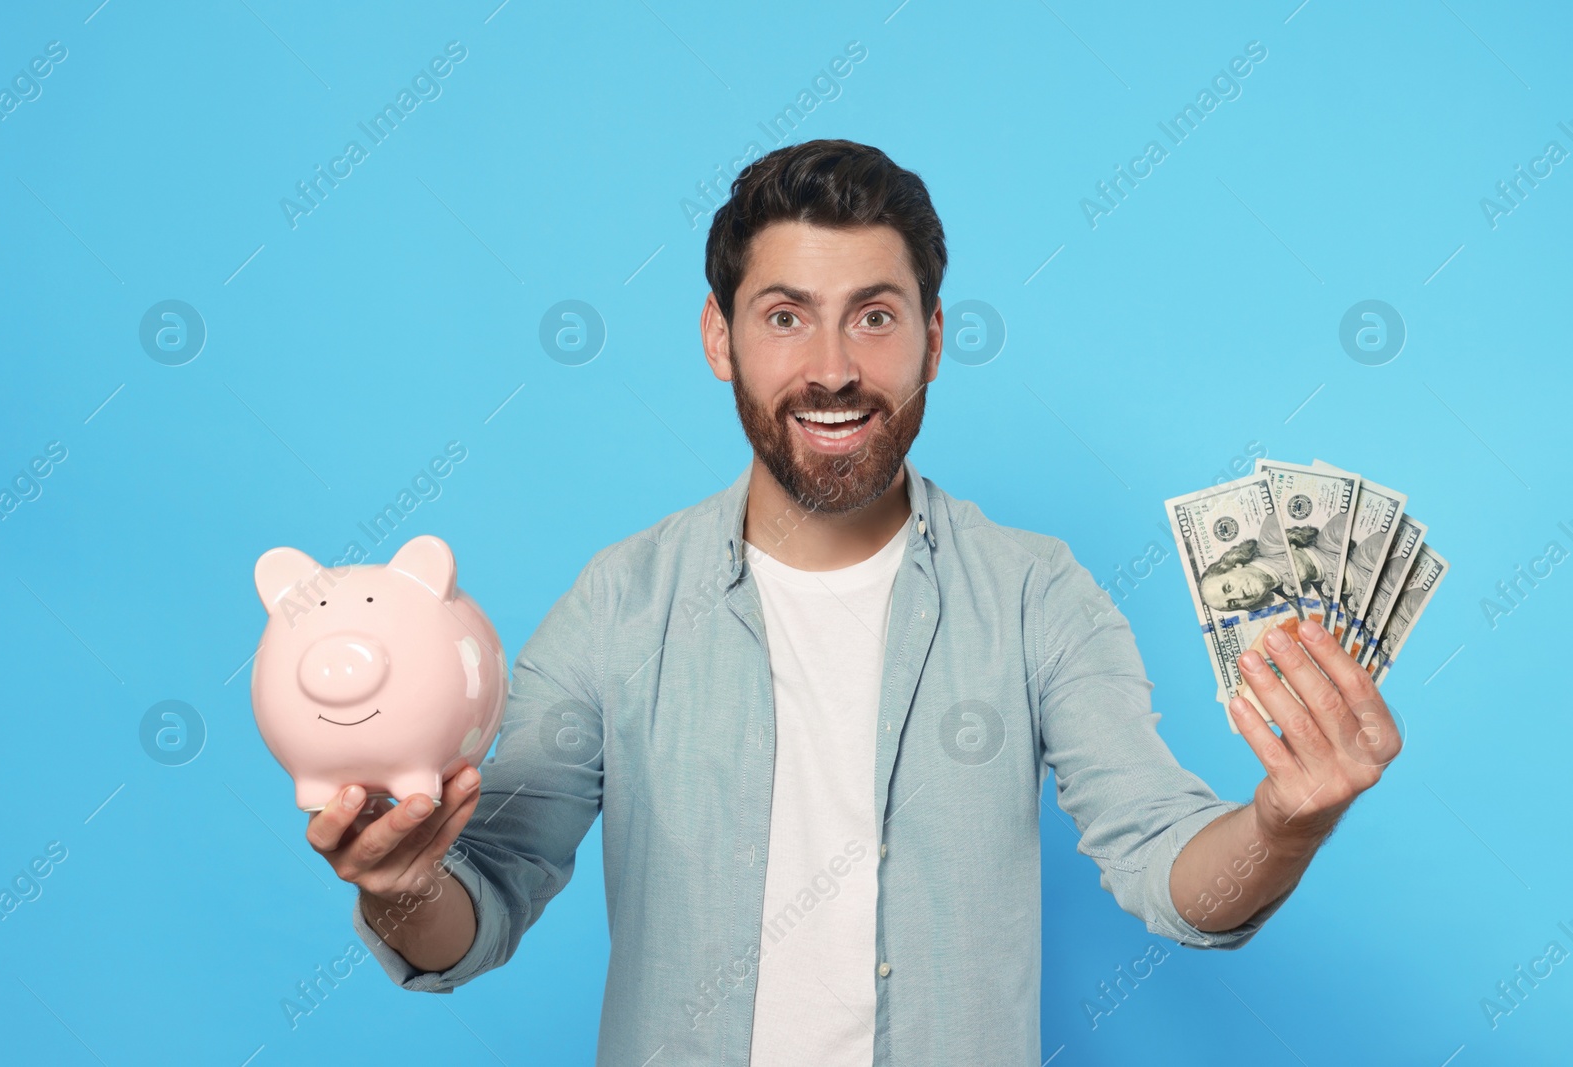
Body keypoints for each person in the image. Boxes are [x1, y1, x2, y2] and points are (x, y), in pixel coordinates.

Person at [301, 139, 1403, 1066]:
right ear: (717, 338)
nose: (832, 367)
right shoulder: (619, 604)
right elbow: (475, 903)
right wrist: (401, 884)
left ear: (932, 336)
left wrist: (1282, 823)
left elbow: (1169, 870)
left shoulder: (1035, 592)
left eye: (874, 317)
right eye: (785, 317)